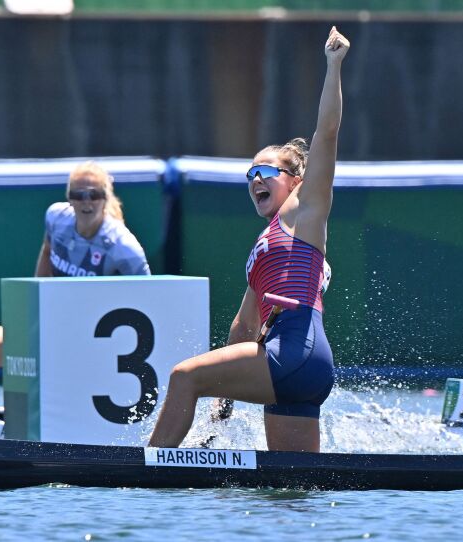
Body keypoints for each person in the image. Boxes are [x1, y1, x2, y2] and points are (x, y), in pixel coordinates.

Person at [148, 26, 349, 452]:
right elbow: (244, 326)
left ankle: (146, 466)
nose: (255, 180)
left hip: (294, 351)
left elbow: (327, 134)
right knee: (289, 496)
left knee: (184, 376)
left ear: (295, 181)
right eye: (250, 175)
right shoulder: (265, 249)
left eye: (266, 173)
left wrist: (333, 66)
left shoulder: (305, 210)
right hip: (301, 366)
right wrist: (222, 402)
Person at [0, 161, 151, 419]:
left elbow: (149, 297)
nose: (86, 202)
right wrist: (36, 304)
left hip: (95, 339)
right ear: (69, 198)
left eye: (94, 194)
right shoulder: (57, 218)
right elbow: (47, 250)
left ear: (106, 198)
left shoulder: (123, 247)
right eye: (78, 195)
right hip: (53, 325)